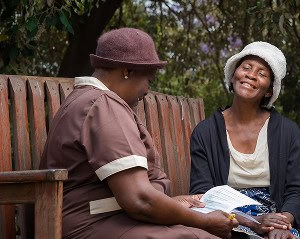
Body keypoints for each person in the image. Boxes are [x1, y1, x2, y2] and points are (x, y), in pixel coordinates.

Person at [39, 27, 239, 239]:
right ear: (127, 71)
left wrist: (172, 203)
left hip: (97, 218)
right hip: (88, 224)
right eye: (148, 80)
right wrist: (206, 221)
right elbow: (140, 201)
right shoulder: (102, 105)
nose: (146, 91)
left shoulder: (85, 100)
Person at [189, 42, 300, 239]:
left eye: (262, 74)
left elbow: (297, 190)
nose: (251, 75)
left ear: (269, 90)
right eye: (246, 67)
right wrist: (251, 221)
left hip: (275, 217)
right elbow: (202, 195)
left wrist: (283, 222)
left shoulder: (287, 132)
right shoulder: (205, 132)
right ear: (234, 74)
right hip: (227, 217)